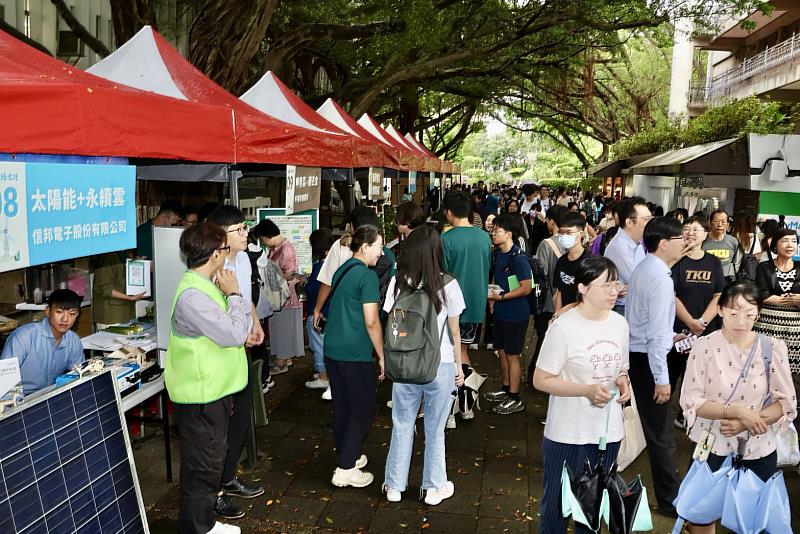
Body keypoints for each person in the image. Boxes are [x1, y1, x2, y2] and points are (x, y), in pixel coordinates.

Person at [679, 281, 798, 534]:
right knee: (702, 513)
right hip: (713, 443)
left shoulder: (772, 347)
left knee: (759, 514)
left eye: (749, 314)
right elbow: (692, 400)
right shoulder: (704, 347)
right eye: (733, 313)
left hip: (758, 445)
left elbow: (786, 402)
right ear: (720, 310)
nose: (741, 321)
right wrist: (736, 412)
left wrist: (748, 421)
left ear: (759, 314)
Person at [533, 256, 631, 533]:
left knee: (592, 510)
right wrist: (585, 390)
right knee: (556, 508)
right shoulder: (563, 327)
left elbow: (621, 368)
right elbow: (540, 380)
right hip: (567, 433)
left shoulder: (619, 324)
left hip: (607, 433)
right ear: (583, 288)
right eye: (606, 286)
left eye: (616, 285)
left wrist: (624, 382)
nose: (614, 292)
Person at [165, 222, 250, 534]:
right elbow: (232, 334)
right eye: (225, 249)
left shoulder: (201, 285)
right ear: (217, 254)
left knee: (203, 462)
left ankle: (201, 524)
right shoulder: (193, 295)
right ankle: (200, 528)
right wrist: (236, 295)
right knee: (205, 466)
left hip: (209, 390)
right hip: (201, 395)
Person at [382, 226, 466, 505]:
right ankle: (433, 487)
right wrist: (459, 368)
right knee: (435, 427)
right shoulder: (448, 284)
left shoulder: (397, 283)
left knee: (402, 423)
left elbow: (391, 324)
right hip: (439, 364)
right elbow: (455, 333)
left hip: (405, 363)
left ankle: (394, 486)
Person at [625, 216, 687, 517]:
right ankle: (670, 500)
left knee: (656, 431)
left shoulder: (646, 268)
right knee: (661, 435)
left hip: (640, 356)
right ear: (663, 243)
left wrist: (671, 337)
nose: (684, 242)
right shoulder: (661, 278)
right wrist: (662, 379)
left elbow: (650, 325)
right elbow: (656, 336)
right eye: (679, 238)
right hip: (648, 361)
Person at [207, 207, 265, 520]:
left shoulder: (242, 260)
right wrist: (238, 333)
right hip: (219, 353)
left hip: (241, 347)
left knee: (243, 411)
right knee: (218, 424)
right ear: (220, 235)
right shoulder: (212, 266)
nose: (245, 234)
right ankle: (213, 491)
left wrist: (255, 325)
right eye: (239, 229)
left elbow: (244, 299)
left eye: (245, 228)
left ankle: (227, 476)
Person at [324, 225, 386, 488]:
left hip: (333, 348)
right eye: (379, 247)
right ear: (365, 246)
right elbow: (372, 321)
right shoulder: (367, 277)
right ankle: (346, 468)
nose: (381, 254)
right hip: (355, 352)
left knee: (343, 407)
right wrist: (382, 355)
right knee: (361, 409)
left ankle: (347, 454)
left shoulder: (343, 269)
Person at [669, 216, 725, 427]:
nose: (691, 233)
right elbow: (670, 294)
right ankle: (662, 415)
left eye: (696, 229)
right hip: (676, 327)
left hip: (705, 329)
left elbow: (718, 295)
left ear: (705, 234)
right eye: (687, 228)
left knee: (699, 375)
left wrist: (701, 322)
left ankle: (689, 415)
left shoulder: (713, 261)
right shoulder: (675, 260)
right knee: (672, 371)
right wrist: (690, 322)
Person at [483, 213, 532, 415]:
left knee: (513, 355)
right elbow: (496, 276)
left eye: (497, 231)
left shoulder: (518, 258)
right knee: (502, 352)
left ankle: (514, 396)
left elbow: (526, 287)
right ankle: (505, 388)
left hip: (516, 313)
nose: (493, 234)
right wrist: (493, 299)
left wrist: (502, 297)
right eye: (493, 230)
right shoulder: (498, 254)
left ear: (509, 234)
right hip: (501, 312)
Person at [440, 191, 492, 372]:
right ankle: (466, 391)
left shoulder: (446, 239)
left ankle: (465, 393)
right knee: (462, 350)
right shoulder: (485, 237)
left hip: (453, 306)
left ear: (448, 212)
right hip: (477, 304)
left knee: (454, 352)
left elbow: (442, 274)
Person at [1, 289, 84, 396]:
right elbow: (4, 381)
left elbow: (80, 375)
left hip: (50, 397)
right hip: (20, 400)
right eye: (59, 312)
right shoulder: (23, 337)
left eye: (72, 314)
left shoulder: (73, 340)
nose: (65, 319)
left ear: (77, 315)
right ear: (47, 311)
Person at [253, 218, 304, 375]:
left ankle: (282, 361)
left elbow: (289, 273)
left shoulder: (285, 249)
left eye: (262, 239)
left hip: (284, 297)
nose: (262, 242)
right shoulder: (276, 248)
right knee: (280, 330)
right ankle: (284, 358)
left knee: (283, 330)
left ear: (266, 236)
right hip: (277, 296)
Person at [753, 228, 800, 376]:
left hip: (795, 329)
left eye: (794, 241)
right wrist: (792, 300)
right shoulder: (764, 267)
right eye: (785, 241)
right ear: (775, 245)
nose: (790, 245)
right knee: (764, 368)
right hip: (767, 325)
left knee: (789, 372)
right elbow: (762, 295)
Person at [603, 196, 650, 315]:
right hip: (623, 308)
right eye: (646, 219)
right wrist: (637, 283)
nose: (650, 224)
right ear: (629, 222)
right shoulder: (620, 247)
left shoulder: (637, 242)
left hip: (633, 304)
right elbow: (644, 282)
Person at [304, 228, 335, 392]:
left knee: (319, 346)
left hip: (318, 313)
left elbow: (314, 289)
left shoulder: (319, 267)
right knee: (328, 345)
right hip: (332, 312)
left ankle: (324, 378)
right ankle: (327, 374)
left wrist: (306, 283)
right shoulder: (336, 263)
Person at [91, 250, 145, 329]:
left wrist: (138, 265)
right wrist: (131, 298)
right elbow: (105, 288)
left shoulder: (125, 253)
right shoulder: (109, 256)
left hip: (126, 312)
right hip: (111, 315)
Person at [552, 211, 591, 315]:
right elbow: (560, 291)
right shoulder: (561, 261)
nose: (564, 236)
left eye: (569, 232)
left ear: (581, 234)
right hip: (564, 316)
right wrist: (557, 314)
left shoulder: (590, 262)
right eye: (561, 232)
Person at [702, 210, 738, 282]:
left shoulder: (733, 241)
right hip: (705, 278)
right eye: (716, 221)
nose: (720, 225)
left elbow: (735, 262)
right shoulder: (702, 239)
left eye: (723, 222)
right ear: (710, 223)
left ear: (728, 225)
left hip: (725, 279)